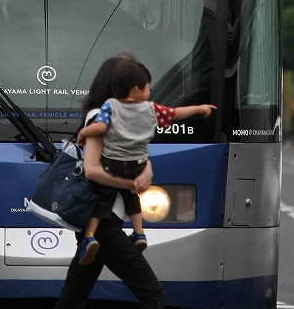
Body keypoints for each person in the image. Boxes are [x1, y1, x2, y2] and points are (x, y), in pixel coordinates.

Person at [22, 53, 203, 309]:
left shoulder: (126, 121)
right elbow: (92, 170)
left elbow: (137, 157)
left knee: (71, 301)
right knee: (152, 293)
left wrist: (145, 173)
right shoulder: (99, 118)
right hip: (101, 224)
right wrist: (132, 182)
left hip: (107, 221)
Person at [76, 57, 216, 265]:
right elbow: (175, 113)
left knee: (101, 202)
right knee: (134, 203)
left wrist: (82, 134)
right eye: (148, 87)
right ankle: (139, 232)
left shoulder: (110, 108)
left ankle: (89, 236)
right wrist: (199, 108)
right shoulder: (150, 109)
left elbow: (100, 130)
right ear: (135, 88)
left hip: (114, 168)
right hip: (135, 166)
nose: (150, 91)